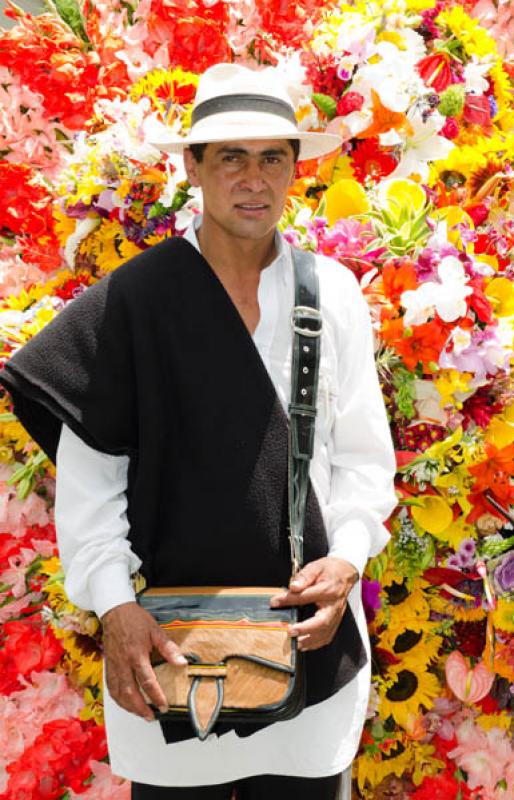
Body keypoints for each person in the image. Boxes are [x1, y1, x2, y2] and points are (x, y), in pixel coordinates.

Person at [0, 63, 397, 799]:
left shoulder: (330, 292)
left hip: (306, 642)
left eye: (272, 157)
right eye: (231, 157)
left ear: (295, 169)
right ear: (194, 167)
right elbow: (92, 486)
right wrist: (116, 609)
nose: (254, 178)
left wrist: (345, 561)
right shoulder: (132, 301)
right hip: (169, 652)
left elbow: (365, 459)